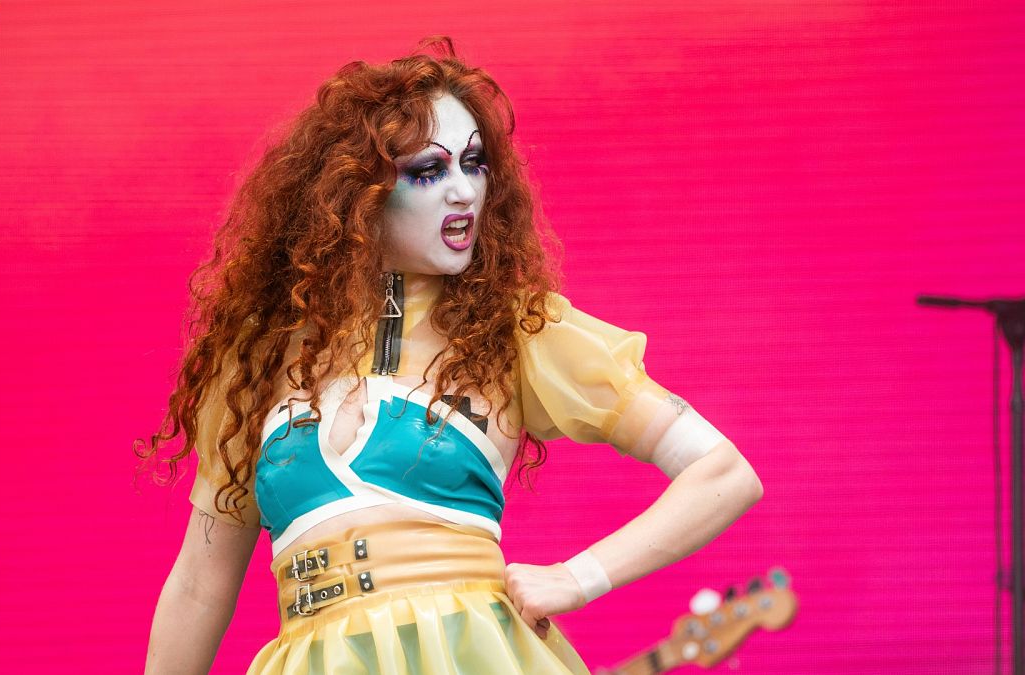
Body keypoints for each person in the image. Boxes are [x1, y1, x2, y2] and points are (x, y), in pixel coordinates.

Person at [141, 37, 762, 675]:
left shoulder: (515, 327)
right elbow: (199, 583)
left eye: (475, 163)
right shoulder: (261, 356)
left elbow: (724, 472)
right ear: (357, 193)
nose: (463, 191)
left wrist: (578, 578)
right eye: (428, 172)